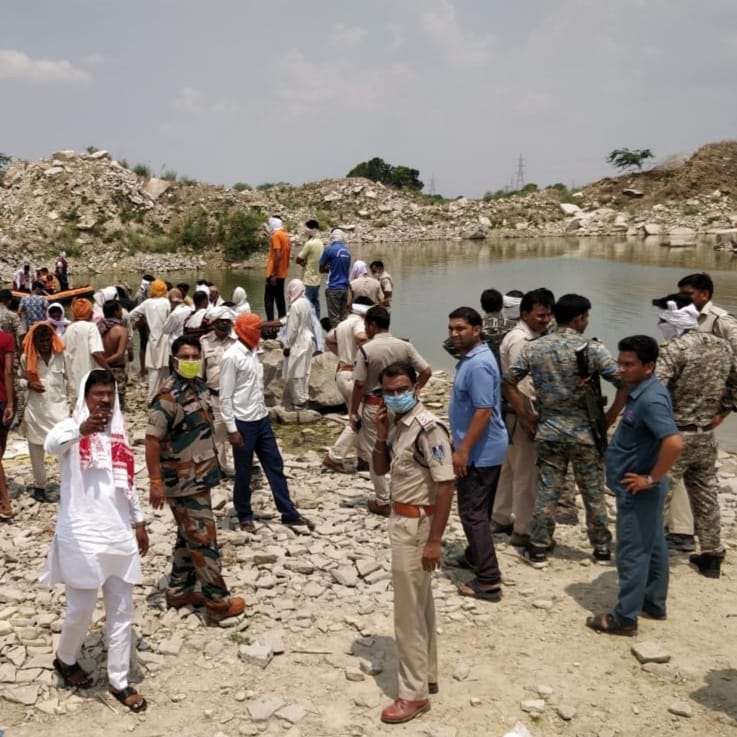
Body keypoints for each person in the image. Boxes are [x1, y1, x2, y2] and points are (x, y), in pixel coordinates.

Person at [41, 369, 149, 711]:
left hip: (117, 534)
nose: (104, 399)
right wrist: (82, 429)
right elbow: (50, 445)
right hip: (82, 535)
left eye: (109, 393)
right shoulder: (70, 429)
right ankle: (65, 658)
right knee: (81, 610)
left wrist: (139, 521)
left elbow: (127, 483)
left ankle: (119, 680)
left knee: (122, 610)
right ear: (85, 397)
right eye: (97, 394)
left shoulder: (118, 434)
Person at [504, 294, 625, 567]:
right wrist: (610, 416)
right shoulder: (592, 349)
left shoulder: (535, 348)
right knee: (592, 491)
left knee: (548, 490)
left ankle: (539, 546)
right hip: (585, 432)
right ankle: (601, 548)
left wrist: (526, 414)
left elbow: (508, 382)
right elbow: (624, 383)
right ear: (579, 318)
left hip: (549, 429)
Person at [372, 363, 455, 725]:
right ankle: (427, 675)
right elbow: (380, 469)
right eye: (389, 392)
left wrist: (434, 540)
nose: (396, 396)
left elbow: (446, 485)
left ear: (415, 388)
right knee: (421, 605)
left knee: (407, 614)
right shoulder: (398, 427)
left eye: (402, 389)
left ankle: (413, 694)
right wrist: (379, 434)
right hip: (402, 518)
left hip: (417, 525)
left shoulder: (428, 428)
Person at [586, 336, 682, 636]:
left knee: (632, 553)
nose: (621, 369)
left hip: (639, 491)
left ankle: (624, 618)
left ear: (649, 367)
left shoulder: (651, 399)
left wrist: (650, 478)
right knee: (653, 546)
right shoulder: (641, 391)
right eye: (620, 363)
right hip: (641, 490)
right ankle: (653, 602)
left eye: (629, 364)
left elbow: (674, 443)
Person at [145, 335, 246, 623]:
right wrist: (155, 482)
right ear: (173, 360)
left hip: (201, 477)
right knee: (204, 540)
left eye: (194, 356)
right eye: (185, 357)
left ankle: (180, 590)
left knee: (188, 535)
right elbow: (151, 441)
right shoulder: (167, 397)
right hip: (182, 482)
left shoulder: (199, 387)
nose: (190, 361)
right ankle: (217, 602)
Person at [653, 294, 737, 578]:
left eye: (662, 318)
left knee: (659, 493)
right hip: (705, 434)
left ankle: (650, 554)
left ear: (672, 319)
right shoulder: (723, 346)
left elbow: (656, 391)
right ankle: (712, 554)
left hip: (675, 435)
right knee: (705, 494)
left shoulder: (673, 349)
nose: (659, 323)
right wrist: (723, 410)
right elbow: (735, 382)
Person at [220, 313, 313, 533]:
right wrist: (232, 429)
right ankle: (244, 515)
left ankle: (288, 512)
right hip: (242, 421)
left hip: (261, 418)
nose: (260, 333)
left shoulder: (255, 352)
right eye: (257, 329)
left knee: (275, 465)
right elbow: (225, 396)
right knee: (244, 472)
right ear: (247, 331)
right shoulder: (231, 356)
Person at [446, 307, 508, 600]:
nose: (454, 334)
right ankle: (474, 555)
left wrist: (463, 450)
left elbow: (483, 411)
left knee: (471, 513)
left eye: (460, 328)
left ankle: (488, 579)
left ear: (477, 329)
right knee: (480, 509)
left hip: (481, 452)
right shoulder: (473, 358)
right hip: (484, 448)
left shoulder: (479, 364)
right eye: (451, 329)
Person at [350, 306, 432, 516]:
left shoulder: (366, 350)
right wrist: (415, 391)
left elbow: (359, 384)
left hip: (375, 403)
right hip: (402, 404)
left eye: (366, 325)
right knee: (401, 447)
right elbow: (426, 370)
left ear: (372, 325)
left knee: (375, 451)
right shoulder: (404, 346)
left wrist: (353, 411)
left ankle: (383, 499)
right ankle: (403, 491)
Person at [491, 289, 555, 546]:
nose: (545, 320)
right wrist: (529, 416)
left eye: (548, 315)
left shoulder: (530, 336)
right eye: (541, 315)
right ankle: (524, 529)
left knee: (510, 468)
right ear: (525, 313)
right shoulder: (521, 340)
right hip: (521, 411)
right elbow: (522, 383)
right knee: (525, 473)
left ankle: (500, 516)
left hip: (512, 411)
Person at [20, 321, 68, 502]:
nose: (45, 344)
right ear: (35, 341)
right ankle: (40, 486)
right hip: (36, 410)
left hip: (60, 410)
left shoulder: (61, 355)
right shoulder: (26, 358)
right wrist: (29, 384)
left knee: (66, 448)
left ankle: (69, 483)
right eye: (41, 341)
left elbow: (70, 380)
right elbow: (18, 379)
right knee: (36, 449)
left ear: (52, 339)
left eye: (47, 340)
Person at [322, 299, 371, 474]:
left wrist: (342, 355)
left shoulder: (342, 324)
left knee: (356, 414)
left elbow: (328, 340)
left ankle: (363, 459)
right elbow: (361, 337)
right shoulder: (359, 323)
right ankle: (334, 456)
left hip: (342, 372)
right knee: (358, 418)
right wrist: (372, 348)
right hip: (353, 375)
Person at [200, 306, 237, 476]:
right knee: (218, 434)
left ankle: (245, 466)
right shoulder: (205, 342)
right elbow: (200, 372)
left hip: (236, 397)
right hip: (215, 396)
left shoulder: (237, 341)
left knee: (240, 432)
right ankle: (221, 467)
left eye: (227, 321)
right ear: (214, 323)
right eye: (221, 321)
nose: (224, 324)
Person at [129, 279, 171, 402]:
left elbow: (131, 315)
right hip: (166, 339)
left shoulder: (147, 303)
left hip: (153, 339)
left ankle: (151, 398)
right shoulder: (167, 303)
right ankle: (165, 398)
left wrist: (135, 326)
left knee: (153, 370)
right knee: (166, 370)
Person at [279, 279, 318, 410]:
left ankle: (299, 402)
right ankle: (304, 398)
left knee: (295, 373)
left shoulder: (295, 306)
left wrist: (287, 346)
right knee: (305, 372)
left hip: (298, 342)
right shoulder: (306, 302)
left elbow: (293, 329)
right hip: (308, 340)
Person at [63, 298, 109, 406]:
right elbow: (96, 352)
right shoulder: (91, 327)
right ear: (90, 312)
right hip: (90, 379)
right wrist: (108, 370)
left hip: (72, 380)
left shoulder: (68, 329)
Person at [99, 301, 130, 410]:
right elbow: (119, 354)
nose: (121, 312)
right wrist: (106, 362)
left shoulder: (99, 328)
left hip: (100, 368)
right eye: (120, 310)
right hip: (116, 369)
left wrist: (102, 362)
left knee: (103, 400)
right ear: (116, 312)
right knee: (118, 402)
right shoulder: (122, 330)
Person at [319, 228, 352, 327]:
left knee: (334, 319)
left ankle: (337, 336)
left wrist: (329, 268)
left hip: (333, 287)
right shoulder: (347, 252)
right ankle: (345, 335)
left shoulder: (329, 250)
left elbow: (320, 269)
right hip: (344, 288)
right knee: (344, 318)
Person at [264, 216, 291, 321]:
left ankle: (270, 324)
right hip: (282, 272)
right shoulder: (285, 235)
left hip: (274, 273)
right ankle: (282, 322)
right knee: (280, 299)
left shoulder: (276, 235)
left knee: (269, 299)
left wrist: (274, 274)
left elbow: (278, 255)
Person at [296, 219, 324, 318]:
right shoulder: (320, 243)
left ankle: (307, 324)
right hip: (317, 279)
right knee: (316, 304)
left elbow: (298, 259)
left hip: (308, 280)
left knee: (306, 305)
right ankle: (317, 324)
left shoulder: (309, 244)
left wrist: (303, 263)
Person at [0, 326, 14, 520]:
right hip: (4, 399)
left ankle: (5, 502)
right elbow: (9, 371)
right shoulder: (6, 339)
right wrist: (10, 403)